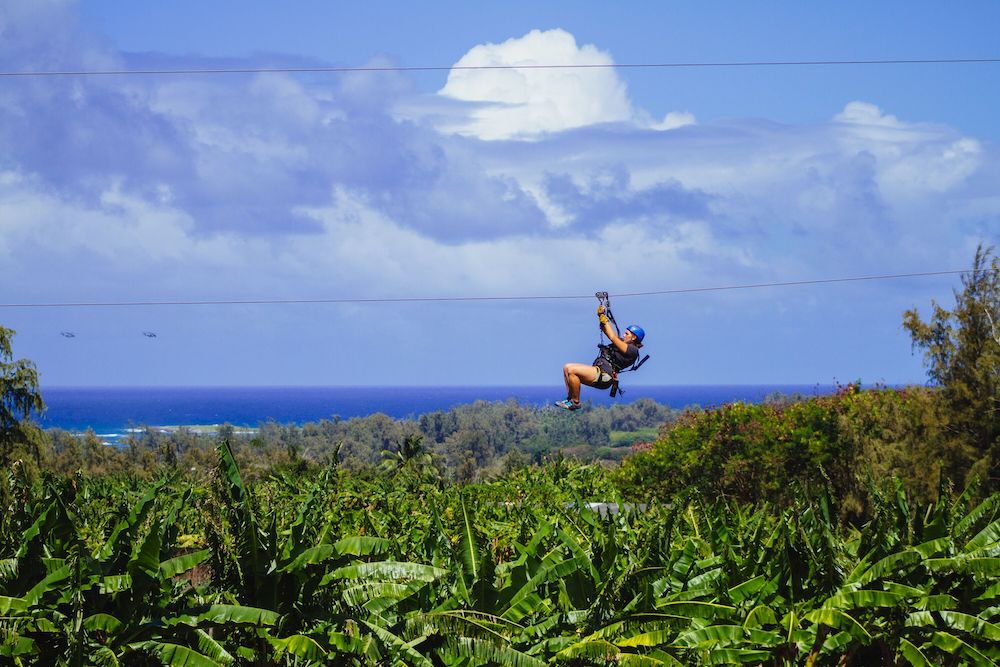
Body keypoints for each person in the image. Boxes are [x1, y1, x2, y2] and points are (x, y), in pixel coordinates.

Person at [556, 304, 645, 411]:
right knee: (567, 367)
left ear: (634, 337)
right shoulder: (623, 343)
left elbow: (612, 337)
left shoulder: (632, 350)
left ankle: (575, 402)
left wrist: (603, 317)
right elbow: (607, 332)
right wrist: (601, 317)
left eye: (627, 333)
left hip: (605, 376)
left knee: (572, 370)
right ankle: (570, 399)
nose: (624, 335)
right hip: (600, 370)